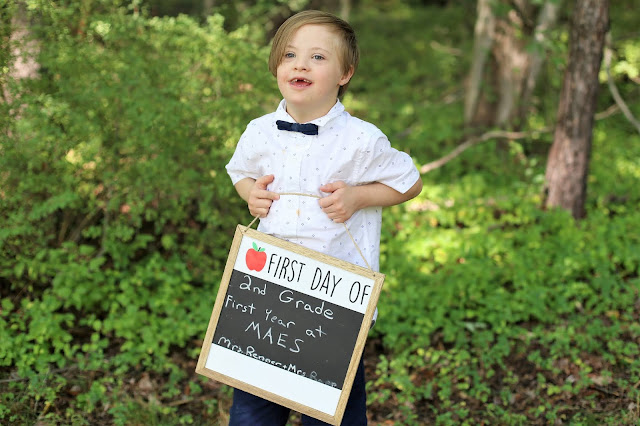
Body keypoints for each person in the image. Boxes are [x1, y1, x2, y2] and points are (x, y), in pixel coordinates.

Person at [225, 9, 422, 425]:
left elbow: (410, 182)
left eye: (318, 57)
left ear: (345, 73)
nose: (300, 64)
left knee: (331, 413)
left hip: (334, 300)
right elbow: (240, 172)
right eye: (290, 55)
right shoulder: (258, 131)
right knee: (253, 410)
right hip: (265, 294)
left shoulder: (362, 140)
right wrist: (251, 195)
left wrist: (359, 196)